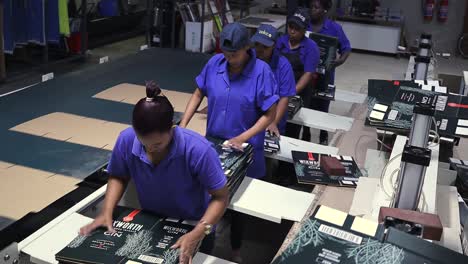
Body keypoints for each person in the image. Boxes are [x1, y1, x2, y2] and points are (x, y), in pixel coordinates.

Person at [79, 81, 229, 264]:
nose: (150, 149)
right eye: (144, 143)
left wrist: (199, 232)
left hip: (195, 224)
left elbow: (221, 197)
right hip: (152, 221)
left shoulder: (199, 151)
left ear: (172, 128)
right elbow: (119, 175)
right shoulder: (127, 139)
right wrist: (106, 211)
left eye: (157, 144)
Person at [180, 22, 279, 262]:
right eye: (226, 52)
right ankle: (204, 247)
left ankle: (235, 250)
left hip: (244, 150)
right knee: (208, 196)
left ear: (247, 48)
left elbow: (270, 114)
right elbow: (198, 92)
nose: (229, 58)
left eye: (234, 53)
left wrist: (242, 137)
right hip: (212, 144)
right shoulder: (215, 64)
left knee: (238, 208)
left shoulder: (261, 72)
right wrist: (182, 125)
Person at [302, 0, 352, 144]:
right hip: (306, 74)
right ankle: (306, 134)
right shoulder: (304, 25)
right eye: (311, 6)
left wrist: (339, 61)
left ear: (325, 10)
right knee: (305, 104)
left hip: (325, 76)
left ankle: (323, 137)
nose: (312, 10)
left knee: (322, 106)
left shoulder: (334, 28)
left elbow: (346, 48)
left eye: (316, 7)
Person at [275, 8, 320, 141]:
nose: (292, 31)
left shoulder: (311, 47)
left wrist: (290, 94)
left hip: (299, 93)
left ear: (305, 30)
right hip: (278, 90)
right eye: (290, 27)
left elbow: (307, 74)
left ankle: (287, 161)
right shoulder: (280, 42)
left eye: (297, 29)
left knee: (292, 130)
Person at [251, 24, 296, 137]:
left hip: (272, 118)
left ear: (274, 46)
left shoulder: (283, 65)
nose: (259, 50)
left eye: (265, 47)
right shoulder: (248, 58)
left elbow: (284, 98)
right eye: (257, 45)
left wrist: (273, 122)